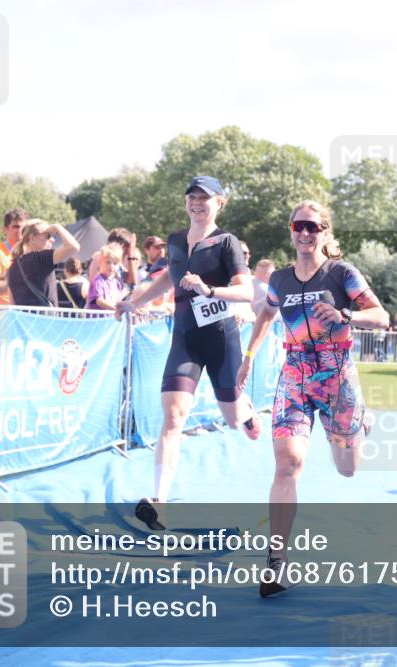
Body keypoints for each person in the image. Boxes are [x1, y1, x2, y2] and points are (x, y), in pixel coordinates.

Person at [237, 199, 389, 598]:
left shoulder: (342, 273)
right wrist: (249, 357)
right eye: (299, 226)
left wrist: (345, 316)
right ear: (291, 230)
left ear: (325, 232)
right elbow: (267, 315)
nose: (305, 233)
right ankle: (277, 561)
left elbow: (382, 316)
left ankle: (359, 425)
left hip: (337, 377)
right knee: (288, 462)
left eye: (313, 227)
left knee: (347, 468)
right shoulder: (281, 281)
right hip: (295, 377)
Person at [116, 176, 261, 529]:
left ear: (220, 203)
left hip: (222, 338)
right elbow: (168, 277)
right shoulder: (176, 240)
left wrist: (209, 290)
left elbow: (247, 293)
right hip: (185, 339)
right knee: (174, 415)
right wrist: (134, 302)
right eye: (192, 197)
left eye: (205, 198)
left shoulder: (227, 243)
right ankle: (159, 501)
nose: (196, 203)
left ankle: (245, 411)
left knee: (231, 418)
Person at [6, 220, 81, 307]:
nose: (52, 240)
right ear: (32, 238)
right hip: (44, 319)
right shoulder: (40, 258)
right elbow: (74, 247)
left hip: (23, 319)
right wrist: (57, 227)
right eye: (48, 236)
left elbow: (12, 304)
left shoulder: (13, 266)